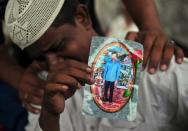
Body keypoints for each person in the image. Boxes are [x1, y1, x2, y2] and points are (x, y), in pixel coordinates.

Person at [3, 0, 188, 131]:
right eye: (41, 58)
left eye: (59, 46)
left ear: (82, 17)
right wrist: (50, 117)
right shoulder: (47, 95)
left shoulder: (152, 66)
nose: (53, 63)